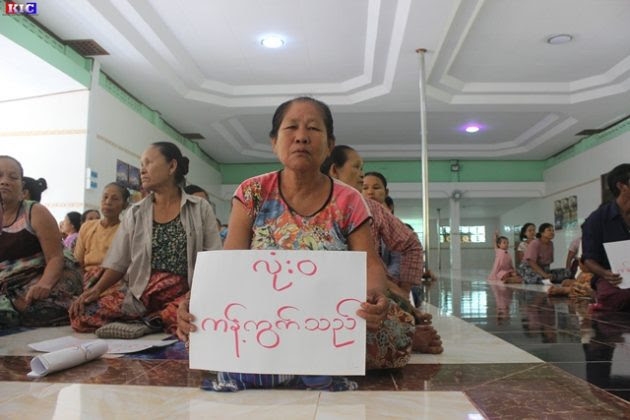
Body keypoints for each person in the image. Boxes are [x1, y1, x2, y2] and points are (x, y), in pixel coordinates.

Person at [177, 97, 416, 392]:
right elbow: (231, 263)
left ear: (329, 145)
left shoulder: (349, 199)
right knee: (199, 336)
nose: (301, 136)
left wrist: (375, 296)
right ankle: (298, 363)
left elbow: (369, 263)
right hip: (264, 319)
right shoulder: (252, 192)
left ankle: (284, 365)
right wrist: (200, 301)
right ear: (274, 142)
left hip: (327, 322)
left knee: (396, 336)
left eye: (313, 129)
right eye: (291, 127)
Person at [69, 142, 222, 335]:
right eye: (141, 164)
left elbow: (213, 257)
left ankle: (154, 320)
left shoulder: (199, 207)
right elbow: (119, 262)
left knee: (195, 317)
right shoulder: (135, 212)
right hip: (142, 293)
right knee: (81, 315)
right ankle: (156, 320)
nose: (142, 170)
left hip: (184, 293)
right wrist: (96, 290)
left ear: (172, 166)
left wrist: (195, 296)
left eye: (148, 163)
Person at [322, 144, 440, 353]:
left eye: (362, 168)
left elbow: (410, 244)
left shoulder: (371, 208)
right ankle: (403, 336)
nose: (362, 175)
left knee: (376, 303)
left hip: (365, 291)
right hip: (322, 292)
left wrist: (404, 290)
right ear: (334, 170)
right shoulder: (304, 208)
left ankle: (401, 331)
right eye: (356, 167)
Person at [0, 155, 82, 328]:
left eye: (13, 177)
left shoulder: (35, 212)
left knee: (35, 305)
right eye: (0, 176)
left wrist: (44, 284)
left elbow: (55, 258)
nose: (5, 181)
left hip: (48, 274)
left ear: (22, 185)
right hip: (8, 282)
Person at [582, 163, 630, 312]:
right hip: (614, 279)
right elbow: (588, 259)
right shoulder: (597, 219)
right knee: (619, 296)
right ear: (622, 186)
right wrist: (605, 274)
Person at [74, 182, 130, 289]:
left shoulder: (126, 230)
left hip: (111, 282)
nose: (108, 202)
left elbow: (122, 268)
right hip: (85, 279)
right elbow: (77, 262)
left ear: (125, 205)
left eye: (115, 199)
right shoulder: (87, 227)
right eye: (105, 197)